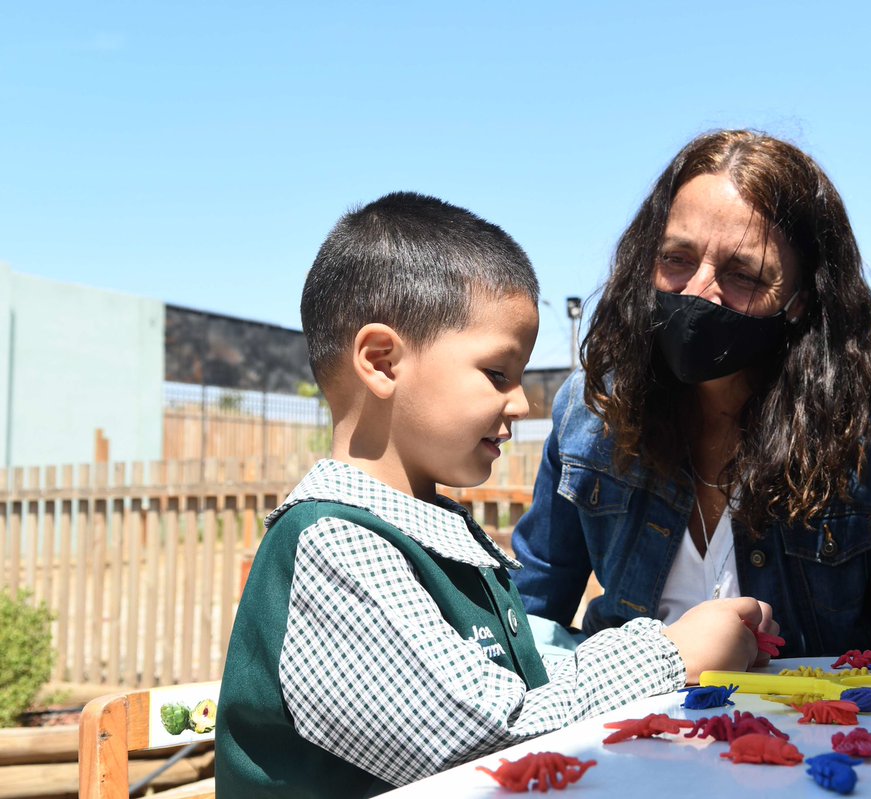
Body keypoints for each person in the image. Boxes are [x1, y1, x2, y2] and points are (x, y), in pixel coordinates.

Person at [215, 191, 774, 796]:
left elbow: (522, 685)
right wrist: (670, 653)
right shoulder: (335, 546)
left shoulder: (430, 538)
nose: (522, 404)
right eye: (498, 374)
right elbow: (487, 737)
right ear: (382, 362)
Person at [511, 130, 871, 658]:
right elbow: (528, 621)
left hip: (824, 712)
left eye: (744, 275)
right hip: (635, 708)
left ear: (801, 298)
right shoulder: (592, 409)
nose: (698, 292)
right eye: (677, 258)